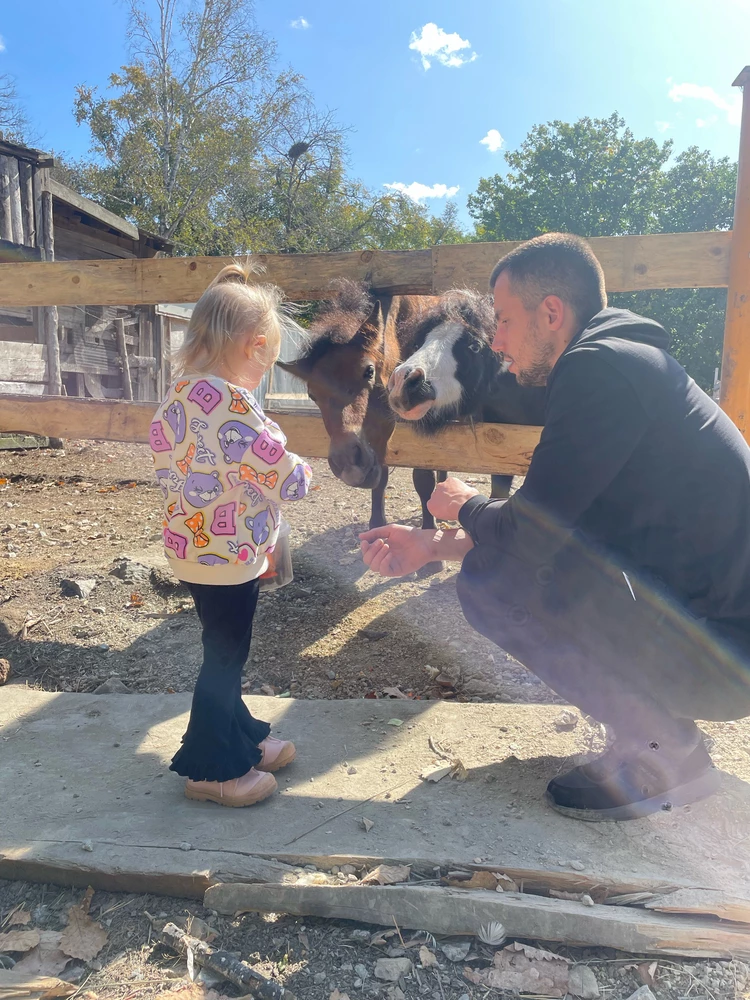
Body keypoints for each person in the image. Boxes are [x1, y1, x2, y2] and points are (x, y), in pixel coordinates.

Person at [361, 232, 750, 822]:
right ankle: (659, 736)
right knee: (510, 564)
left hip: (722, 659)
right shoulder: (622, 361)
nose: (498, 342)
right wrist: (430, 545)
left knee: (492, 581)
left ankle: (667, 752)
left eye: (507, 322)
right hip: (718, 642)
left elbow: (526, 537)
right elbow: (553, 527)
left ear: (552, 312)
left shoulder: (601, 370)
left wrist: (463, 506)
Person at [150, 264, 312, 807]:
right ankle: (212, 768)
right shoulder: (233, 404)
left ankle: (242, 736)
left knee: (222, 647)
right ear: (255, 345)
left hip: (192, 549)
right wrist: (303, 471)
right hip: (230, 555)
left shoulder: (177, 397)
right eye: (265, 363)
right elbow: (284, 477)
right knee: (224, 655)